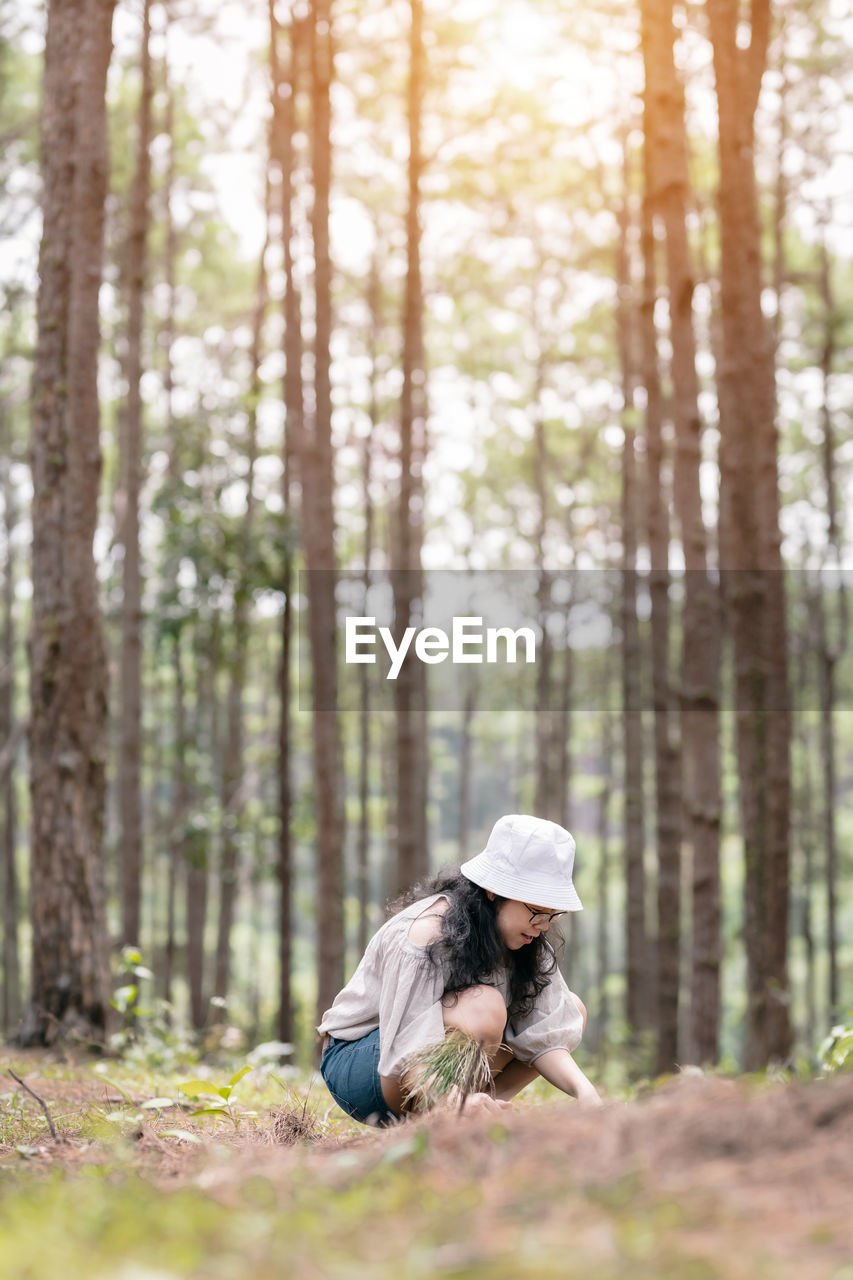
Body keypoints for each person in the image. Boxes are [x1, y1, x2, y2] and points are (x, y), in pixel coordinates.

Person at [317, 813, 602, 1125]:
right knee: (485, 1007)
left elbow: (546, 1033)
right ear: (495, 891)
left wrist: (586, 1094)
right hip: (367, 1062)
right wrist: (452, 1099)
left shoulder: (528, 939)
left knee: (570, 1008)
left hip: (425, 1066)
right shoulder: (426, 934)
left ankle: (483, 1110)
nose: (543, 925)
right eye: (536, 910)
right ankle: (455, 1110)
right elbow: (405, 1049)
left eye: (553, 914)